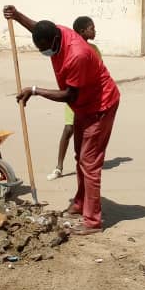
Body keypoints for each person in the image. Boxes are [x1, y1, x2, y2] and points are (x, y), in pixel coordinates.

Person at [4, 5, 120, 235]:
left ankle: (93, 221)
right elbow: (36, 27)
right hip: (83, 105)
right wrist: (16, 15)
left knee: (90, 162)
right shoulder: (52, 33)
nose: (45, 53)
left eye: (46, 49)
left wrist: (35, 90)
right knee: (80, 156)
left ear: (55, 41)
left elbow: (69, 95)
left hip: (100, 105)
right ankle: (80, 202)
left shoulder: (77, 55)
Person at [47, 16, 101, 180]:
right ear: (82, 31)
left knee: (90, 132)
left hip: (90, 98)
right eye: (92, 28)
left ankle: (87, 163)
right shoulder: (71, 50)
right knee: (68, 129)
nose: (95, 30)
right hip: (74, 96)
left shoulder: (94, 49)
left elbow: (99, 72)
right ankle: (59, 167)